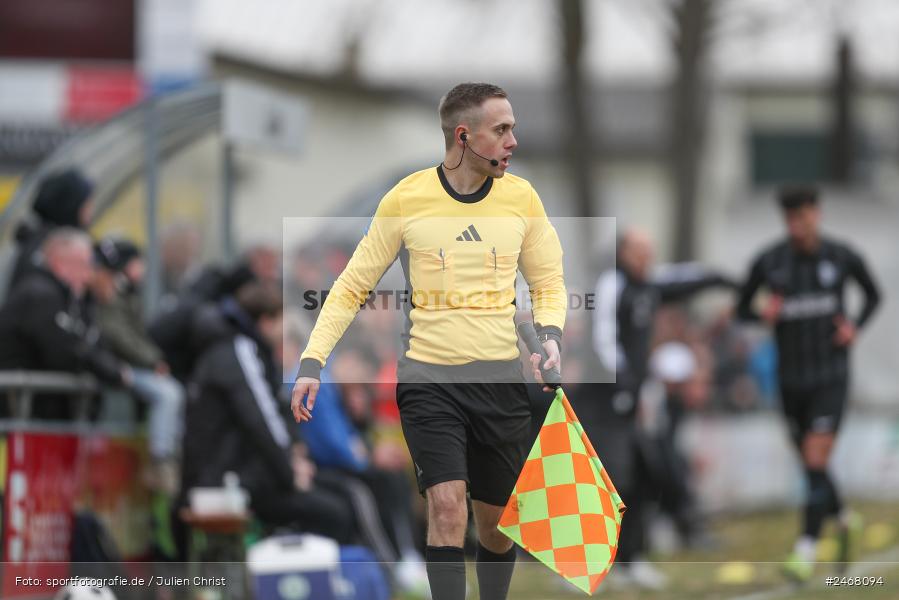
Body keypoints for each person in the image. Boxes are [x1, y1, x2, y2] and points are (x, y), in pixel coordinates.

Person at [291, 82, 566, 600]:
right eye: (501, 130)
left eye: (513, 129)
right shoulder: (407, 198)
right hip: (428, 381)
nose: (513, 141)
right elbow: (353, 285)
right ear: (464, 136)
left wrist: (550, 334)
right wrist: (313, 360)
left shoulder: (522, 198)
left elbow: (549, 282)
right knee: (445, 509)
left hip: (499, 380)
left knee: (494, 525)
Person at [577, 228, 735, 589]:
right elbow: (602, 339)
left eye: (650, 250)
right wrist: (625, 383)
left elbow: (688, 278)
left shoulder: (649, 285)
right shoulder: (611, 284)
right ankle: (591, 562)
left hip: (632, 401)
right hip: (603, 401)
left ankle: (631, 559)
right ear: (623, 252)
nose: (647, 256)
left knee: (645, 477)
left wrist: (728, 280)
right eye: (640, 249)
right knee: (608, 480)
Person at [736, 186, 881, 582]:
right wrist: (761, 313)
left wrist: (855, 327)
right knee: (810, 463)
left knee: (816, 458)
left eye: (802, 216)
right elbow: (742, 308)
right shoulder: (770, 262)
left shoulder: (841, 256)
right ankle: (845, 517)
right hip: (790, 379)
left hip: (831, 377)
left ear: (816, 214)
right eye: (789, 219)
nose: (797, 226)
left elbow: (873, 294)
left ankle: (805, 549)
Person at [181, 282, 355, 545]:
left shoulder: (246, 350)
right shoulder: (239, 351)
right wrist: (289, 473)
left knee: (343, 495)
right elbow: (261, 420)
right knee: (335, 512)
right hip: (228, 484)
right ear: (265, 321)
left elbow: (275, 411)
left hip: (245, 475)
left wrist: (295, 451)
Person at [0, 228, 127, 419]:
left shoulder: (67, 298)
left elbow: (89, 340)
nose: (89, 274)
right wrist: (112, 372)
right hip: (23, 413)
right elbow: (64, 350)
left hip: (37, 412)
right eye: (85, 264)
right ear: (60, 263)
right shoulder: (40, 296)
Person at [91, 237, 185, 493]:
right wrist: (152, 360)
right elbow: (119, 336)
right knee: (168, 393)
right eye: (136, 263)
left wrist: (153, 359)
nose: (141, 269)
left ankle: (169, 454)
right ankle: (161, 459)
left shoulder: (128, 293)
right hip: (116, 367)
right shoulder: (111, 293)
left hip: (128, 366)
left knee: (173, 391)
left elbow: (136, 335)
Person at [6, 169, 94, 294]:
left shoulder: (38, 238)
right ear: (70, 207)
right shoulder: (49, 248)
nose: (89, 213)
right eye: (86, 206)